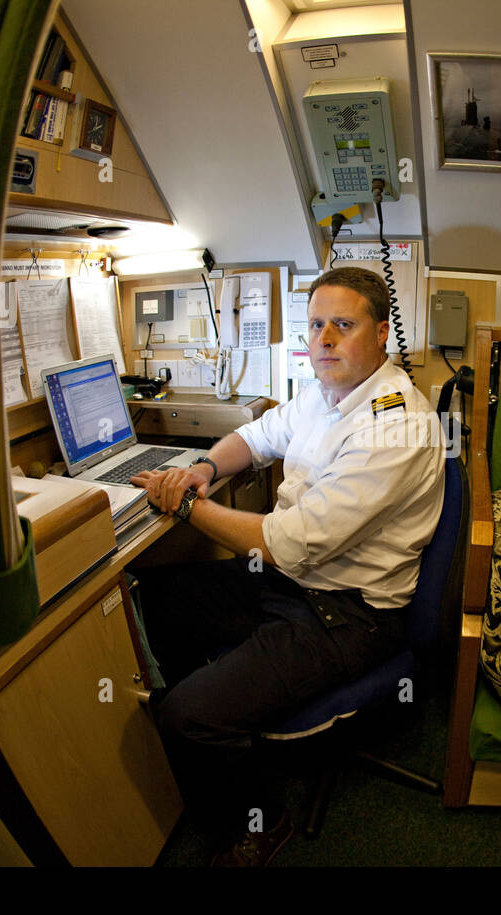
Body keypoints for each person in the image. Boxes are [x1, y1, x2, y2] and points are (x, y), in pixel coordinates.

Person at [130, 266, 445, 866]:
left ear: (381, 334)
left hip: (348, 613)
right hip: (290, 580)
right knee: (154, 597)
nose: (324, 339)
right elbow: (256, 436)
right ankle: (217, 740)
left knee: (188, 716)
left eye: (343, 326)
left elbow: (289, 544)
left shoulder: (396, 426)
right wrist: (205, 471)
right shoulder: (324, 391)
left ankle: (262, 820)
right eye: (316, 325)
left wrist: (189, 504)